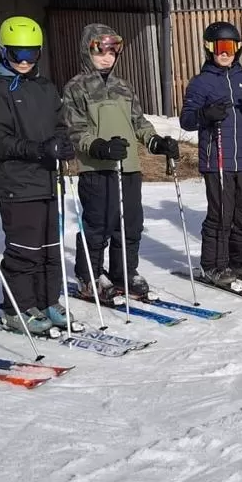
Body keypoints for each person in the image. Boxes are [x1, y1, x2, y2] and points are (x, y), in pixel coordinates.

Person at [63, 23, 180, 302]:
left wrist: (155, 141)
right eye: (100, 51)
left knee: (130, 224)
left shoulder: (123, 87)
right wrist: (99, 147)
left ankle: (123, 272)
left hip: (128, 167)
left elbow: (139, 122)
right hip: (97, 168)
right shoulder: (76, 87)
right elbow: (75, 130)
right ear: (87, 50)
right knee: (98, 225)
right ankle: (90, 276)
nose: (107, 57)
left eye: (112, 52)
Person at [0, 16, 79, 336]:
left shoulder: (45, 87)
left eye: (31, 54)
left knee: (50, 248)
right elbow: (0, 141)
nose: (24, 61)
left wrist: (63, 144)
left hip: (49, 180)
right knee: (24, 251)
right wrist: (39, 149)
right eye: (17, 54)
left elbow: (60, 125)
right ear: (3, 51)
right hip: (18, 184)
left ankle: (48, 301)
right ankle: (17, 309)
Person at [179, 21, 242, 287]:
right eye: (219, 47)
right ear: (209, 49)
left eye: (229, 46)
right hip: (216, 159)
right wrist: (205, 114)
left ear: (238, 48)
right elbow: (187, 120)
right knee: (222, 214)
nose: (225, 53)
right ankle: (213, 265)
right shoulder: (201, 83)